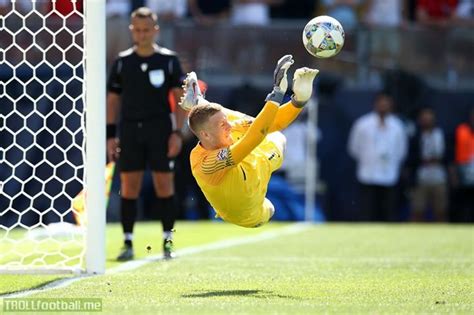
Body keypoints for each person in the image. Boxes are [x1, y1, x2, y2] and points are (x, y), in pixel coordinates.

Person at [178, 55, 319, 228]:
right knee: (269, 135)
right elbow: (256, 135)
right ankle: (198, 103)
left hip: (254, 167)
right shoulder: (206, 163)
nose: (229, 125)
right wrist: (277, 94)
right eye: (223, 124)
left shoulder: (224, 129)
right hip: (245, 214)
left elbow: (271, 123)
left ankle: (199, 103)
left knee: (267, 131)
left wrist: (299, 101)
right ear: (205, 136)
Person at [107, 7, 186, 260]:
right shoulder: (122, 62)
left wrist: (177, 132)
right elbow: (112, 101)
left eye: (146, 30)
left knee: (165, 184)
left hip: (160, 129)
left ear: (155, 30)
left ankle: (168, 241)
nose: (141, 35)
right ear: (132, 30)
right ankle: (128, 242)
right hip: (130, 129)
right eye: (137, 30)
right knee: (129, 186)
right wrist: (111, 134)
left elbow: (179, 98)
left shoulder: (169, 60)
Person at [348, 92, 407, 221]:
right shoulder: (362, 124)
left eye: (386, 103)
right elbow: (354, 148)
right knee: (367, 212)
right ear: (375, 104)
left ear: (391, 105)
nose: (383, 106)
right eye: (381, 102)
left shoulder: (397, 126)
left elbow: (401, 150)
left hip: (389, 175)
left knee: (388, 211)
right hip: (367, 174)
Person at [408, 107, 448, 222]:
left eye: (429, 117)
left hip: (439, 178)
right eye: (424, 118)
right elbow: (411, 158)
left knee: (441, 210)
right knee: (417, 210)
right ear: (420, 120)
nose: (427, 120)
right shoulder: (415, 136)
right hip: (421, 178)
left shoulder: (441, 134)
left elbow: (448, 157)